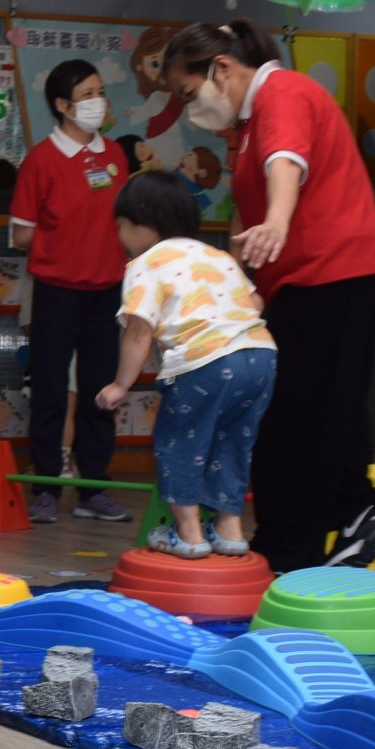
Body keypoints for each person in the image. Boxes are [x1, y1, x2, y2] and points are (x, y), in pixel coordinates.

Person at [162, 18, 375, 571]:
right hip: (314, 280)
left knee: (294, 417)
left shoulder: (282, 92)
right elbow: (244, 214)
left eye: (187, 92)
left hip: (334, 273)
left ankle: (302, 543)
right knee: (316, 409)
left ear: (221, 68)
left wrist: (276, 221)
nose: (188, 108)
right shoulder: (247, 127)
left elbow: (286, 162)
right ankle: (356, 511)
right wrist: (235, 288)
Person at [95, 172, 277, 560]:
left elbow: (139, 332)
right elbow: (256, 303)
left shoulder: (145, 264)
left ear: (141, 218)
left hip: (203, 363)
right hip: (260, 356)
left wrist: (120, 385)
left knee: (179, 442)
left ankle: (190, 534)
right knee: (233, 442)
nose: (120, 237)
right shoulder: (217, 256)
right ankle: (229, 531)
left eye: (120, 226)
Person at [10, 58, 134, 526]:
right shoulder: (41, 160)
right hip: (56, 291)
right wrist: (66, 244)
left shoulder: (116, 155)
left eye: (100, 92)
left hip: (108, 291)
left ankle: (93, 489)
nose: (98, 101)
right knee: (49, 389)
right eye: (87, 95)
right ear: (62, 106)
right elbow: (22, 234)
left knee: (102, 390)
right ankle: (45, 488)